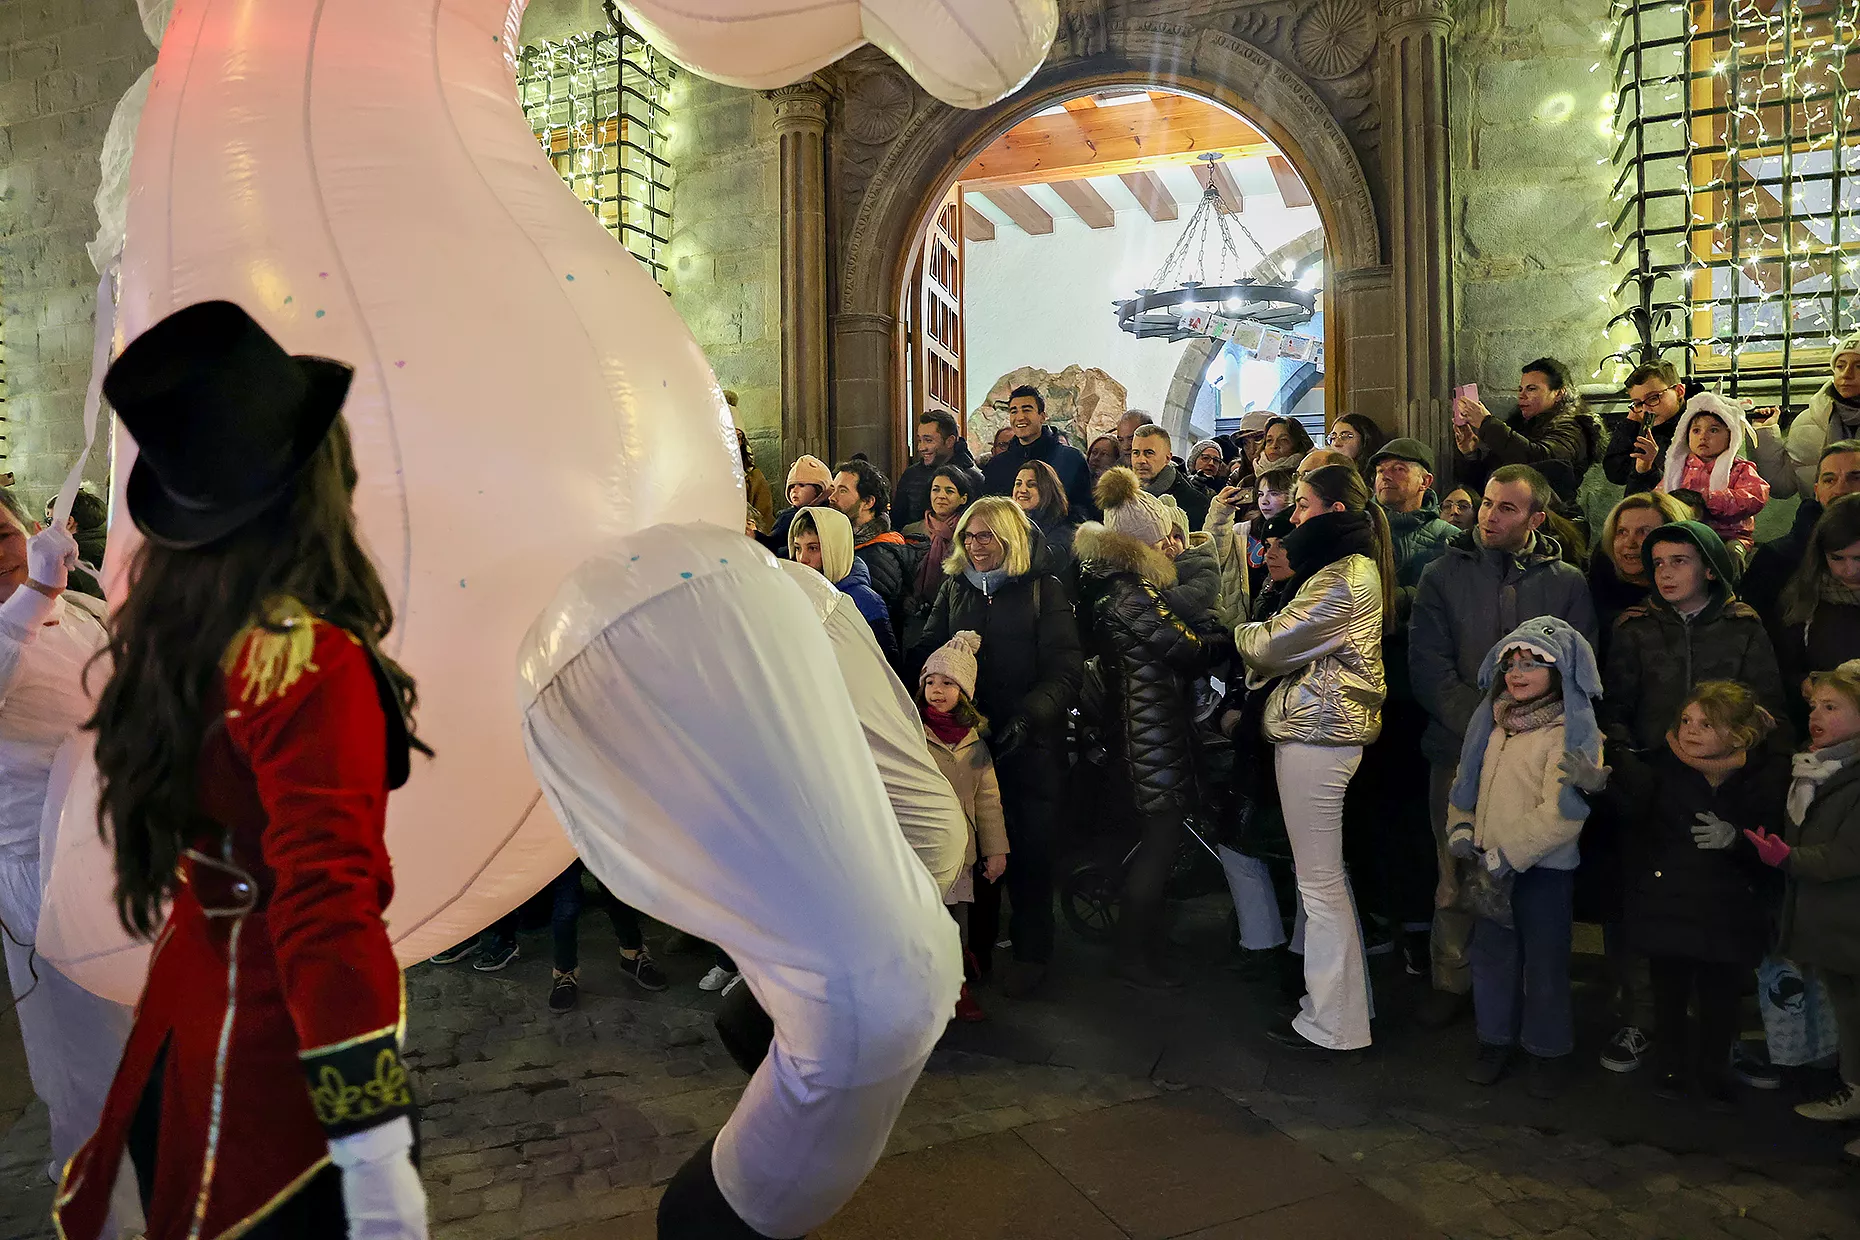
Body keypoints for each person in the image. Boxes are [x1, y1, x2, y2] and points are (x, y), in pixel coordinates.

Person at [60, 301, 428, 1239]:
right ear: (315, 485)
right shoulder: (309, 660)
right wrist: (375, 1154)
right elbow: (325, 908)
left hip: (183, 1028)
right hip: (285, 1085)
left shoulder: (176, 631)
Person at [1409, 464, 1597, 1030]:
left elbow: (1578, 665)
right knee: (1455, 865)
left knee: (1530, 866)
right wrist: (1484, 726)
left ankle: (1525, 997)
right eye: (1487, 503)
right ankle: (1452, 977)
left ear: (1536, 518)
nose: (1489, 516)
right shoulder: (1444, 574)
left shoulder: (1566, 582)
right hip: (1457, 746)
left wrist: (1532, 728)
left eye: (1507, 508)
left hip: (1541, 751)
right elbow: (1430, 666)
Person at [0, 488, 135, 1211]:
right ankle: (99, 1192)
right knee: (84, 1043)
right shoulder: (18, 621)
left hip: (117, 845)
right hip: (41, 870)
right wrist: (33, 595)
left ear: (32, 529)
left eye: (2, 533)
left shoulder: (77, 608)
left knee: (141, 1021)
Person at [1236, 464, 1393, 1052]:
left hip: (1318, 732)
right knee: (1326, 880)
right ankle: (1345, 1010)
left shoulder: (1343, 576)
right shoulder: (1342, 567)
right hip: (1319, 729)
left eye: (1302, 504)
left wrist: (1239, 629)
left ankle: (1334, 1024)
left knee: (1319, 884)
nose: (1293, 515)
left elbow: (1270, 644)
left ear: (1334, 511)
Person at [1571, 681, 1787, 1105]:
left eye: (1706, 724)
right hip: (1668, 902)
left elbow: (1771, 840)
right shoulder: (1661, 767)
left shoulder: (1761, 776)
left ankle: (1714, 1067)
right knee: (1668, 993)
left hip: (1728, 908)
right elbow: (1632, 813)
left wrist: (1737, 840)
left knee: (1720, 997)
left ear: (1738, 734)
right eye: (1686, 720)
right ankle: (1670, 1064)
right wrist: (1598, 788)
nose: (1690, 730)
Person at [910, 496, 1081, 996]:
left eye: (986, 535)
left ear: (1010, 537)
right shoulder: (956, 587)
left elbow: (1065, 669)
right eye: (968, 536)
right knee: (971, 848)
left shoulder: (1043, 589)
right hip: (968, 742)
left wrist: (1029, 717)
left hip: (1030, 744)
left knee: (1029, 849)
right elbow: (929, 649)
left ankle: (1032, 951)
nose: (975, 545)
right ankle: (975, 950)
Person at [1448, 618, 1601, 1098]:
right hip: (1489, 867)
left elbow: (1563, 815)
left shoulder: (1570, 734)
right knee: (1492, 956)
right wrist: (1461, 826)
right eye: (1511, 664)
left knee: (1545, 964)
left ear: (1559, 673)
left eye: (1532, 664)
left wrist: (1508, 855)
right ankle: (1494, 1040)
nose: (1517, 673)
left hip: (1541, 873)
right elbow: (1466, 780)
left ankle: (1546, 1050)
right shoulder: (1494, 725)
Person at [1075, 468, 1209, 988]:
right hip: (1148, 734)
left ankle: (1145, 939)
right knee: (1159, 842)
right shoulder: (1133, 595)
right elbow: (1186, 650)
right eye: (1162, 540)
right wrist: (1223, 638)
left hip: (1136, 730)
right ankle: (1132, 954)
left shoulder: (1113, 588)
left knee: (1150, 840)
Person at [1746, 660, 1860, 1157]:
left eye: (1832, 707)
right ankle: (1855, 1092)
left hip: (1851, 916)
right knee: (1850, 1011)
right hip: (1834, 922)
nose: (1816, 716)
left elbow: (1847, 855)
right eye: (1814, 706)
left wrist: (1787, 859)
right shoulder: (1817, 767)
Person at [1361, 438, 1459, 971]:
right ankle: (1378, 917)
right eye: (1381, 469)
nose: (1387, 476)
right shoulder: (1361, 532)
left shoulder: (1446, 539)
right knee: (1370, 811)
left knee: (1416, 815)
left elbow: (1439, 607)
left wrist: (1387, 600)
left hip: (1414, 694)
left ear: (1425, 480)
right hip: (1363, 690)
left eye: (1400, 469)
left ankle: (1421, 926)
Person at [1603, 520, 1790, 757]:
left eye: (1679, 561)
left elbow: (1766, 707)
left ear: (1709, 569)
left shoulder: (1742, 627)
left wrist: (1749, 760)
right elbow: (1615, 708)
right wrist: (1626, 758)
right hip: (1651, 761)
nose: (1665, 573)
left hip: (1728, 764)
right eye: (1658, 563)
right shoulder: (1636, 629)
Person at [917, 630, 1008, 1023]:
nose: (937, 690)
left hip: (961, 855)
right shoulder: (912, 736)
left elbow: (988, 801)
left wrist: (996, 850)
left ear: (965, 692)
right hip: (920, 850)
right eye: (930, 682)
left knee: (956, 924)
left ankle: (955, 988)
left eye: (948, 683)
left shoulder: (975, 744)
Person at [1452, 358, 1602, 523]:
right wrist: (1470, 453)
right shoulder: (1520, 426)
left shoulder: (1570, 428)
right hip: (1510, 517)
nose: (1522, 396)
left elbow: (1541, 460)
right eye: (1520, 389)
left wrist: (1486, 423)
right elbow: (1493, 480)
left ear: (1559, 393)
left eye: (1531, 389)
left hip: (1549, 521)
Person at [1744, 440, 1860, 633]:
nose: (1840, 489)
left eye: (1855, 478)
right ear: (1816, 491)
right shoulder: (1776, 559)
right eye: (1829, 480)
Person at [1652, 393, 1770, 560]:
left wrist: (1711, 500)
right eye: (1696, 430)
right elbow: (1658, 497)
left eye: (1713, 430)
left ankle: (1732, 576)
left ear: (1732, 435)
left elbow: (1756, 496)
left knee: (1732, 554)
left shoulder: (1739, 468)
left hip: (1729, 535)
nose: (1703, 436)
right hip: (1686, 533)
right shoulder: (1677, 469)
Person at [546, 862, 669, 1011]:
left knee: (618, 893)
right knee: (566, 906)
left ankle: (632, 955)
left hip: (598, 846)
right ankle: (564, 973)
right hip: (563, 849)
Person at [790, 505, 900, 668]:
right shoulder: (796, 592)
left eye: (813, 548)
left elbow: (887, 664)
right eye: (798, 548)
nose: (802, 558)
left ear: (835, 549)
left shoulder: (865, 600)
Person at [1776, 495, 1860, 708]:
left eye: (1859, 558)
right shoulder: (1805, 597)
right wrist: (1803, 683)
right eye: (1837, 558)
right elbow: (1783, 667)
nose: (1850, 571)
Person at [831, 458, 919, 643]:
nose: (832, 497)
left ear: (868, 502)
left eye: (843, 490)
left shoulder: (878, 555)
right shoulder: (847, 542)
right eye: (833, 489)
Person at [1590, 492, 1693, 646]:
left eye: (1644, 532)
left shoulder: (1696, 592)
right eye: (1622, 532)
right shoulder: (1598, 580)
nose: (1630, 543)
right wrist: (1612, 625)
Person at [983, 385, 1092, 521]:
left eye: (1027, 410)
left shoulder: (1071, 459)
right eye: (1014, 411)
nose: (1020, 417)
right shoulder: (997, 465)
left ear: (1042, 416)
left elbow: (1085, 510)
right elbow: (988, 512)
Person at [1783, 333, 1860, 496]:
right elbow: (1783, 486)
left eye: (1859, 366)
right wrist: (1764, 432)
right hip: (1822, 511)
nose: (1846, 374)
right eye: (1840, 366)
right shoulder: (1808, 421)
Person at [902, 463, 975, 625]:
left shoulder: (969, 534)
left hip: (956, 614)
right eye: (936, 490)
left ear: (963, 498)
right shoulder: (911, 531)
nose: (941, 496)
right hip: (913, 616)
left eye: (949, 491)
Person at [894, 409, 982, 530]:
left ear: (949, 441)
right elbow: (897, 522)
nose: (921, 447)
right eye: (919, 440)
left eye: (928, 440)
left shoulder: (974, 479)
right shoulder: (911, 475)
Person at [1129, 424, 1210, 529]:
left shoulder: (1195, 503)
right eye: (1136, 453)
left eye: (1149, 453)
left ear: (1167, 458)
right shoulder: (1121, 497)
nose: (1141, 460)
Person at [1012, 458, 1077, 580]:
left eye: (1032, 485)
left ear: (1047, 489)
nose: (1022, 490)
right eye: (1018, 483)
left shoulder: (1066, 525)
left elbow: (1051, 560)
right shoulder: (1006, 521)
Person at [762, 453, 833, 554]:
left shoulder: (829, 516)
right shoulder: (786, 517)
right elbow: (773, 542)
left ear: (818, 490)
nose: (794, 490)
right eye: (791, 487)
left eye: (801, 485)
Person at [734, 424, 776, 533]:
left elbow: (765, 519)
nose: (735, 442)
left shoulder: (754, 478)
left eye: (739, 438)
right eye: (730, 436)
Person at [1327, 413, 1387, 478]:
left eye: (1346, 436)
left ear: (1364, 439)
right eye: (1333, 437)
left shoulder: (1380, 475)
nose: (1336, 443)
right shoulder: (1326, 473)